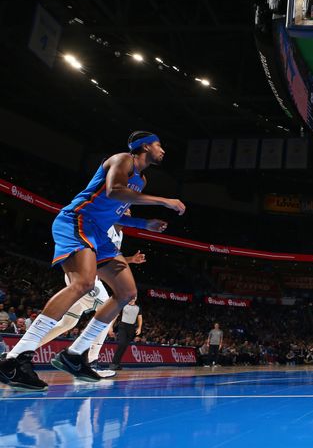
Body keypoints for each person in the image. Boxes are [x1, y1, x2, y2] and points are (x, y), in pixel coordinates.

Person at [0, 131, 184, 391]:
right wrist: (163, 201)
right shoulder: (122, 160)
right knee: (83, 284)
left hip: (98, 231)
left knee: (126, 292)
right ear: (144, 146)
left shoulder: (141, 179)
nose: (163, 150)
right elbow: (114, 190)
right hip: (77, 220)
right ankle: (16, 358)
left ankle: (74, 355)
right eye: (158, 144)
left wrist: (145, 223)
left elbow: (114, 213)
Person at [36, 220, 146, 378]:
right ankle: (91, 362)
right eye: (125, 209)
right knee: (108, 313)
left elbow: (108, 260)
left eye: (129, 210)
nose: (128, 212)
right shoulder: (104, 226)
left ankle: (20, 353)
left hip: (88, 279)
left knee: (67, 323)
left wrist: (130, 260)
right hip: (85, 277)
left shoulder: (119, 233)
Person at [109, 298, 142, 370]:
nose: (131, 300)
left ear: (136, 299)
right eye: (130, 298)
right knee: (121, 343)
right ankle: (113, 363)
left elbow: (140, 318)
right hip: (123, 326)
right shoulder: (123, 305)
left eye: (133, 298)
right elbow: (115, 315)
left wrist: (139, 328)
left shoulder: (138, 308)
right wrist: (111, 326)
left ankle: (117, 364)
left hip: (131, 328)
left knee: (124, 346)